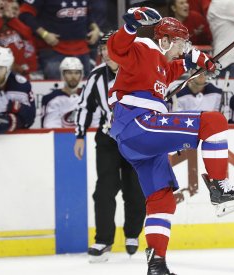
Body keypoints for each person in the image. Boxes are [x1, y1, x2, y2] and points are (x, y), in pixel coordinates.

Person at [106, 8, 234, 274]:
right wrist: (132, 23)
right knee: (214, 122)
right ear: (163, 40)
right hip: (137, 124)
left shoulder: (161, 64)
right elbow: (116, 50)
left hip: (139, 139)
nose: (182, 49)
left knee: (162, 198)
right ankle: (220, 187)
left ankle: (157, 264)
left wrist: (202, 61)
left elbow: (180, 66)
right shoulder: (141, 47)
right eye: (180, 44)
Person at [74, 32, 146, 262]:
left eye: (109, 48)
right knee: (104, 189)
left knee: (134, 189)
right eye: (102, 49)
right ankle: (103, 240)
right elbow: (85, 106)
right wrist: (79, 135)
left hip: (135, 138)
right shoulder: (96, 76)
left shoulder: (138, 71)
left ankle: (132, 233)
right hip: (107, 139)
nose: (105, 53)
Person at [19, 0, 101, 79]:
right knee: (56, 90)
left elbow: (87, 12)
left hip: (82, 50)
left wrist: (95, 28)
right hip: (54, 50)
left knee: (86, 90)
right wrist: (44, 34)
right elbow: (25, 13)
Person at [0, 0, 38, 78]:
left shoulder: (15, 21)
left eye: (3, 1)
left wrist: (11, 18)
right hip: (0, 69)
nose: (1, 3)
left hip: (21, 70)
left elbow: (27, 34)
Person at [41, 57, 91, 128]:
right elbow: (49, 127)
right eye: (69, 73)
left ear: (81, 75)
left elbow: (95, 125)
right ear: (63, 75)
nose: (73, 76)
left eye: (77, 73)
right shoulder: (50, 98)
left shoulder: (89, 97)